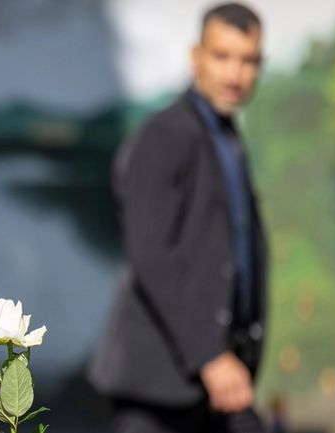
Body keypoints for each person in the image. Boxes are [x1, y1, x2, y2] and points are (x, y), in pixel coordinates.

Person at [88, 3, 268, 433]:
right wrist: (209, 355)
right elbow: (151, 255)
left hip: (214, 381)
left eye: (248, 60)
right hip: (158, 387)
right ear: (195, 57)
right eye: (222, 56)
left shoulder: (224, 135)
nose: (234, 74)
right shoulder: (165, 135)